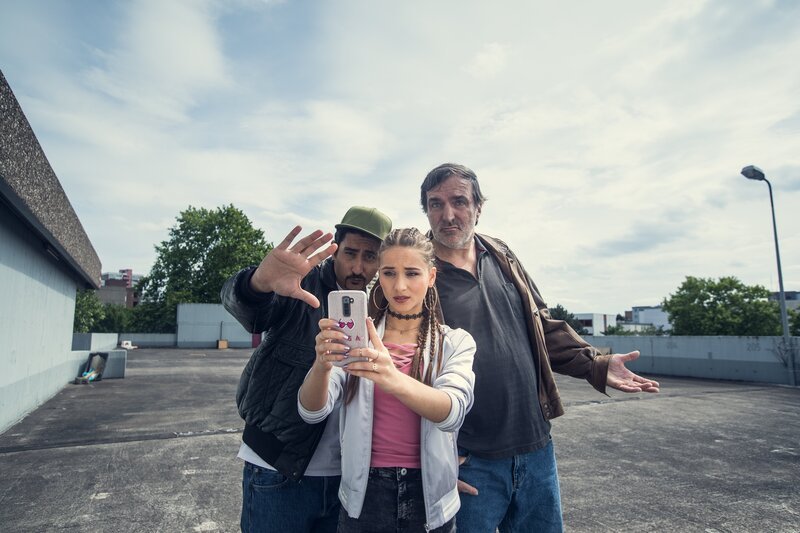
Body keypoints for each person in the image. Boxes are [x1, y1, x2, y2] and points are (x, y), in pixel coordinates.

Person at [419, 163, 661, 533]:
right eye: (436, 204)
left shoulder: (502, 256)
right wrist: (434, 462)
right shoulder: (416, 273)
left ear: (479, 207)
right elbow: (403, 368)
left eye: (459, 201)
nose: (448, 215)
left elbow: (542, 329)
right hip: (467, 458)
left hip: (535, 447)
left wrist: (596, 363)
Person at [221, 206, 392, 533]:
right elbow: (251, 313)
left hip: (346, 480)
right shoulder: (301, 283)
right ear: (335, 249)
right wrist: (257, 284)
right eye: (350, 253)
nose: (358, 266)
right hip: (278, 468)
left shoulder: (383, 305)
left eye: (370, 257)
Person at [298, 228, 476, 532]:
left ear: (431, 277)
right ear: (378, 276)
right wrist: (322, 364)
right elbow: (312, 411)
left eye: (412, 273)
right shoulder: (359, 339)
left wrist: (391, 376)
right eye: (389, 273)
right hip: (364, 495)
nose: (400, 285)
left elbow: (452, 411)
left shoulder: (455, 342)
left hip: (429, 496)